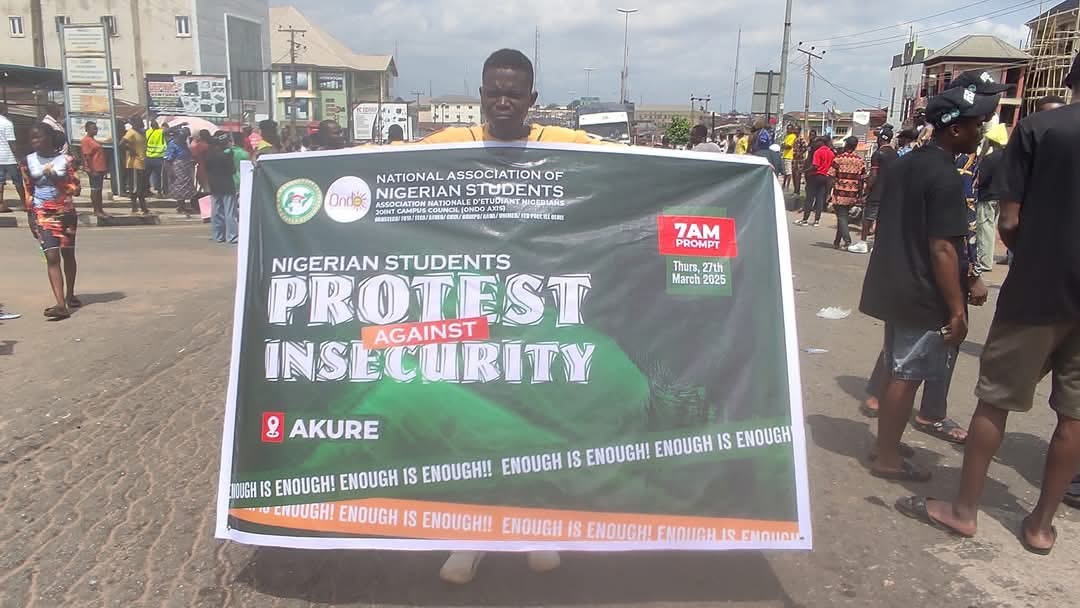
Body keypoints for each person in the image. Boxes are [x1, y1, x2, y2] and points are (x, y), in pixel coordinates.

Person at [420, 48, 605, 584]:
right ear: (481, 95)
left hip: (541, 314)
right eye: (494, 92)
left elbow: (635, 166)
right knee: (475, 427)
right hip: (471, 314)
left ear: (531, 99)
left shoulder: (563, 144)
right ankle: (470, 537)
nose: (503, 101)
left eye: (514, 94)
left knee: (538, 423)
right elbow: (372, 164)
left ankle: (536, 527)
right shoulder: (448, 145)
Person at [898, 57, 1080, 554]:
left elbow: (1010, 221)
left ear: (1071, 80)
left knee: (995, 401)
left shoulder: (1039, 130)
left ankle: (964, 511)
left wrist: (1037, 253)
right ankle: (1041, 526)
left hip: (1037, 292)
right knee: (1073, 417)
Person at [858, 82, 999, 482]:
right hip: (921, 290)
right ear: (955, 128)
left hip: (894, 282)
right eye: (976, 125)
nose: (980, 132)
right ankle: (887, 457)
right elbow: (942, 249)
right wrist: (957, 310)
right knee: (907, 375)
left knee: (896, 368)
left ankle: (886, 442)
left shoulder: (905, 162)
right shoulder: (945, 176)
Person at [24, 122, 80, 319]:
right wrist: (30, 216)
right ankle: (60, 304)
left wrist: (56, 178)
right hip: (42, 212)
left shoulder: (65, 160)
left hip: (65, 212)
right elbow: (28, 190)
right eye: (32, 138)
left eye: (38, 137)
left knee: (68, 254)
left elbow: (76, 189)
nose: (34, 141)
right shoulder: (28, 161)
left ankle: (70, 294)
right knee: (51, 256)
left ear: (49, 138)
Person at [850, 126, 897, 254]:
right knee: (881, 219)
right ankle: (878, 245)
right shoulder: (896, 154)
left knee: (868, 218)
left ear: (881, 138)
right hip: (889, 192)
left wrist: (867, 189)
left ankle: (863, 243)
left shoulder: (878, 154)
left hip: (877, 191)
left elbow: (874, 174)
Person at [973, 122, 1008, 274]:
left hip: (987, 196)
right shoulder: (1010, 157)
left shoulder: (989, 159)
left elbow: (982, 179)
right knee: (993, 228)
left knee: (985, 228)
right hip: (1003, 196)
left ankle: (984, 261)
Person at [830, 136, 866, 250]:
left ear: (846, 145)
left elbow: (831, 176)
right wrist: (860, 194)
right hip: (852, 193)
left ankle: (847, 241)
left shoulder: (838, 159)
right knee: (843, 217)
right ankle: (837, 241)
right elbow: (862, 179)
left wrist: (829, 192)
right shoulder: (860, 161)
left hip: (840, 192)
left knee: (841, 217)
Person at [205, 132, 239, 244]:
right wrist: (231, 156)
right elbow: (232, 171)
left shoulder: (209, 155)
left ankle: (218, 235)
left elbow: (207, 170)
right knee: (230, 212)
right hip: (227, 186)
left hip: (214, 186)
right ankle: (232, 236)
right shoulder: (226, 156)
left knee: (216, 212)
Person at [796, 136, 834, 226]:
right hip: (825, 177)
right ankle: (817, 220)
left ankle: (805, 219)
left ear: (821, 142)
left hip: (815, 176)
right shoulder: (831, 153)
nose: (815, 144)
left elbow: (815, 166)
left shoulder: (818, 152)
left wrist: (804, 171)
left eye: (817, 142)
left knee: (809, 198)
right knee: (820, 199)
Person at [164, 127, 197, 214]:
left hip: (186, 168)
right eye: (184, 136)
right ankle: (180, 206)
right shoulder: (173, 144)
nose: (185, 138)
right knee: (179, 187)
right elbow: (167, 159)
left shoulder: (184, 144)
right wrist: (170, 171)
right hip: (177, 168)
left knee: (186, 187)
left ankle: (183, 206)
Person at [0, 104, 26, 213]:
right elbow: (11, 142)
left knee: (0, 182)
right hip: (9, 157)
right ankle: (24, 203)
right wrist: (18, 158)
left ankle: (1, 205)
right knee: (18, 181)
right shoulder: (7, 123)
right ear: (3, 110)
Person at [80, 121, 109, 219]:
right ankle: (96, 210)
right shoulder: (86, 140)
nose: (95, 130)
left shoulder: (93, 140)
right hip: (94, 168)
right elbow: (87, 157)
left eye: (96, 128)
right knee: (95, 190)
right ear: (87, 129)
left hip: (100, 168)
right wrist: (92, 170)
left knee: (99, 190)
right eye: (93, 128)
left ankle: (100, 209)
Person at [121, 118, 149, 215]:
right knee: (135, 187)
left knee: (141, 187)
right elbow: (121, 143)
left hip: (141, 162)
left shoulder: (141, 133)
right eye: (138, 122)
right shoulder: (131, 132)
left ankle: (143, 207)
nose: (141, 123)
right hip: (134, 164)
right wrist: (130, 148)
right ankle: (136, 207)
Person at [145, 120, 166, 196]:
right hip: (158, 157)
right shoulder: (161, 132)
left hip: (148, 157)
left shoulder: (148, 132)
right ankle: (159, 192)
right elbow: (169, 130)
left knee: (146, 175)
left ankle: (146, 191)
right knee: (159, 176)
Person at [190, 129, 211, 195]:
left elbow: (194, 158)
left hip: (202, 170)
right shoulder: (213, 145)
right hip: (213, 170)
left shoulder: (199, 146)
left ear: (200, 136)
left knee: (206, 190)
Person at [781, 124, 797, 190]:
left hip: (789, 156)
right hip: (785, 155)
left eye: (789, 129)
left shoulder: (793, 136)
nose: (788, 130)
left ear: (792, 129)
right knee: (785, 172)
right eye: (787, 128)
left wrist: (784, 145)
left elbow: (789, 146)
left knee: (789, 172)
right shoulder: (787, 136)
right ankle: (784, 184)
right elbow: (783, 145)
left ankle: (787, 186)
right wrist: (784, 145)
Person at [791, 127, 807, 197]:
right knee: (794, 175)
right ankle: (795, 191)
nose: (794, 130)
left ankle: (797, 192)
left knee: (797, 175)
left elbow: (805, 148)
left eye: (796, 129)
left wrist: (799, 154)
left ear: (799, 130)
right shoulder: (795, 138)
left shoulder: (801, 139)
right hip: (794, 159)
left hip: (799, 160)